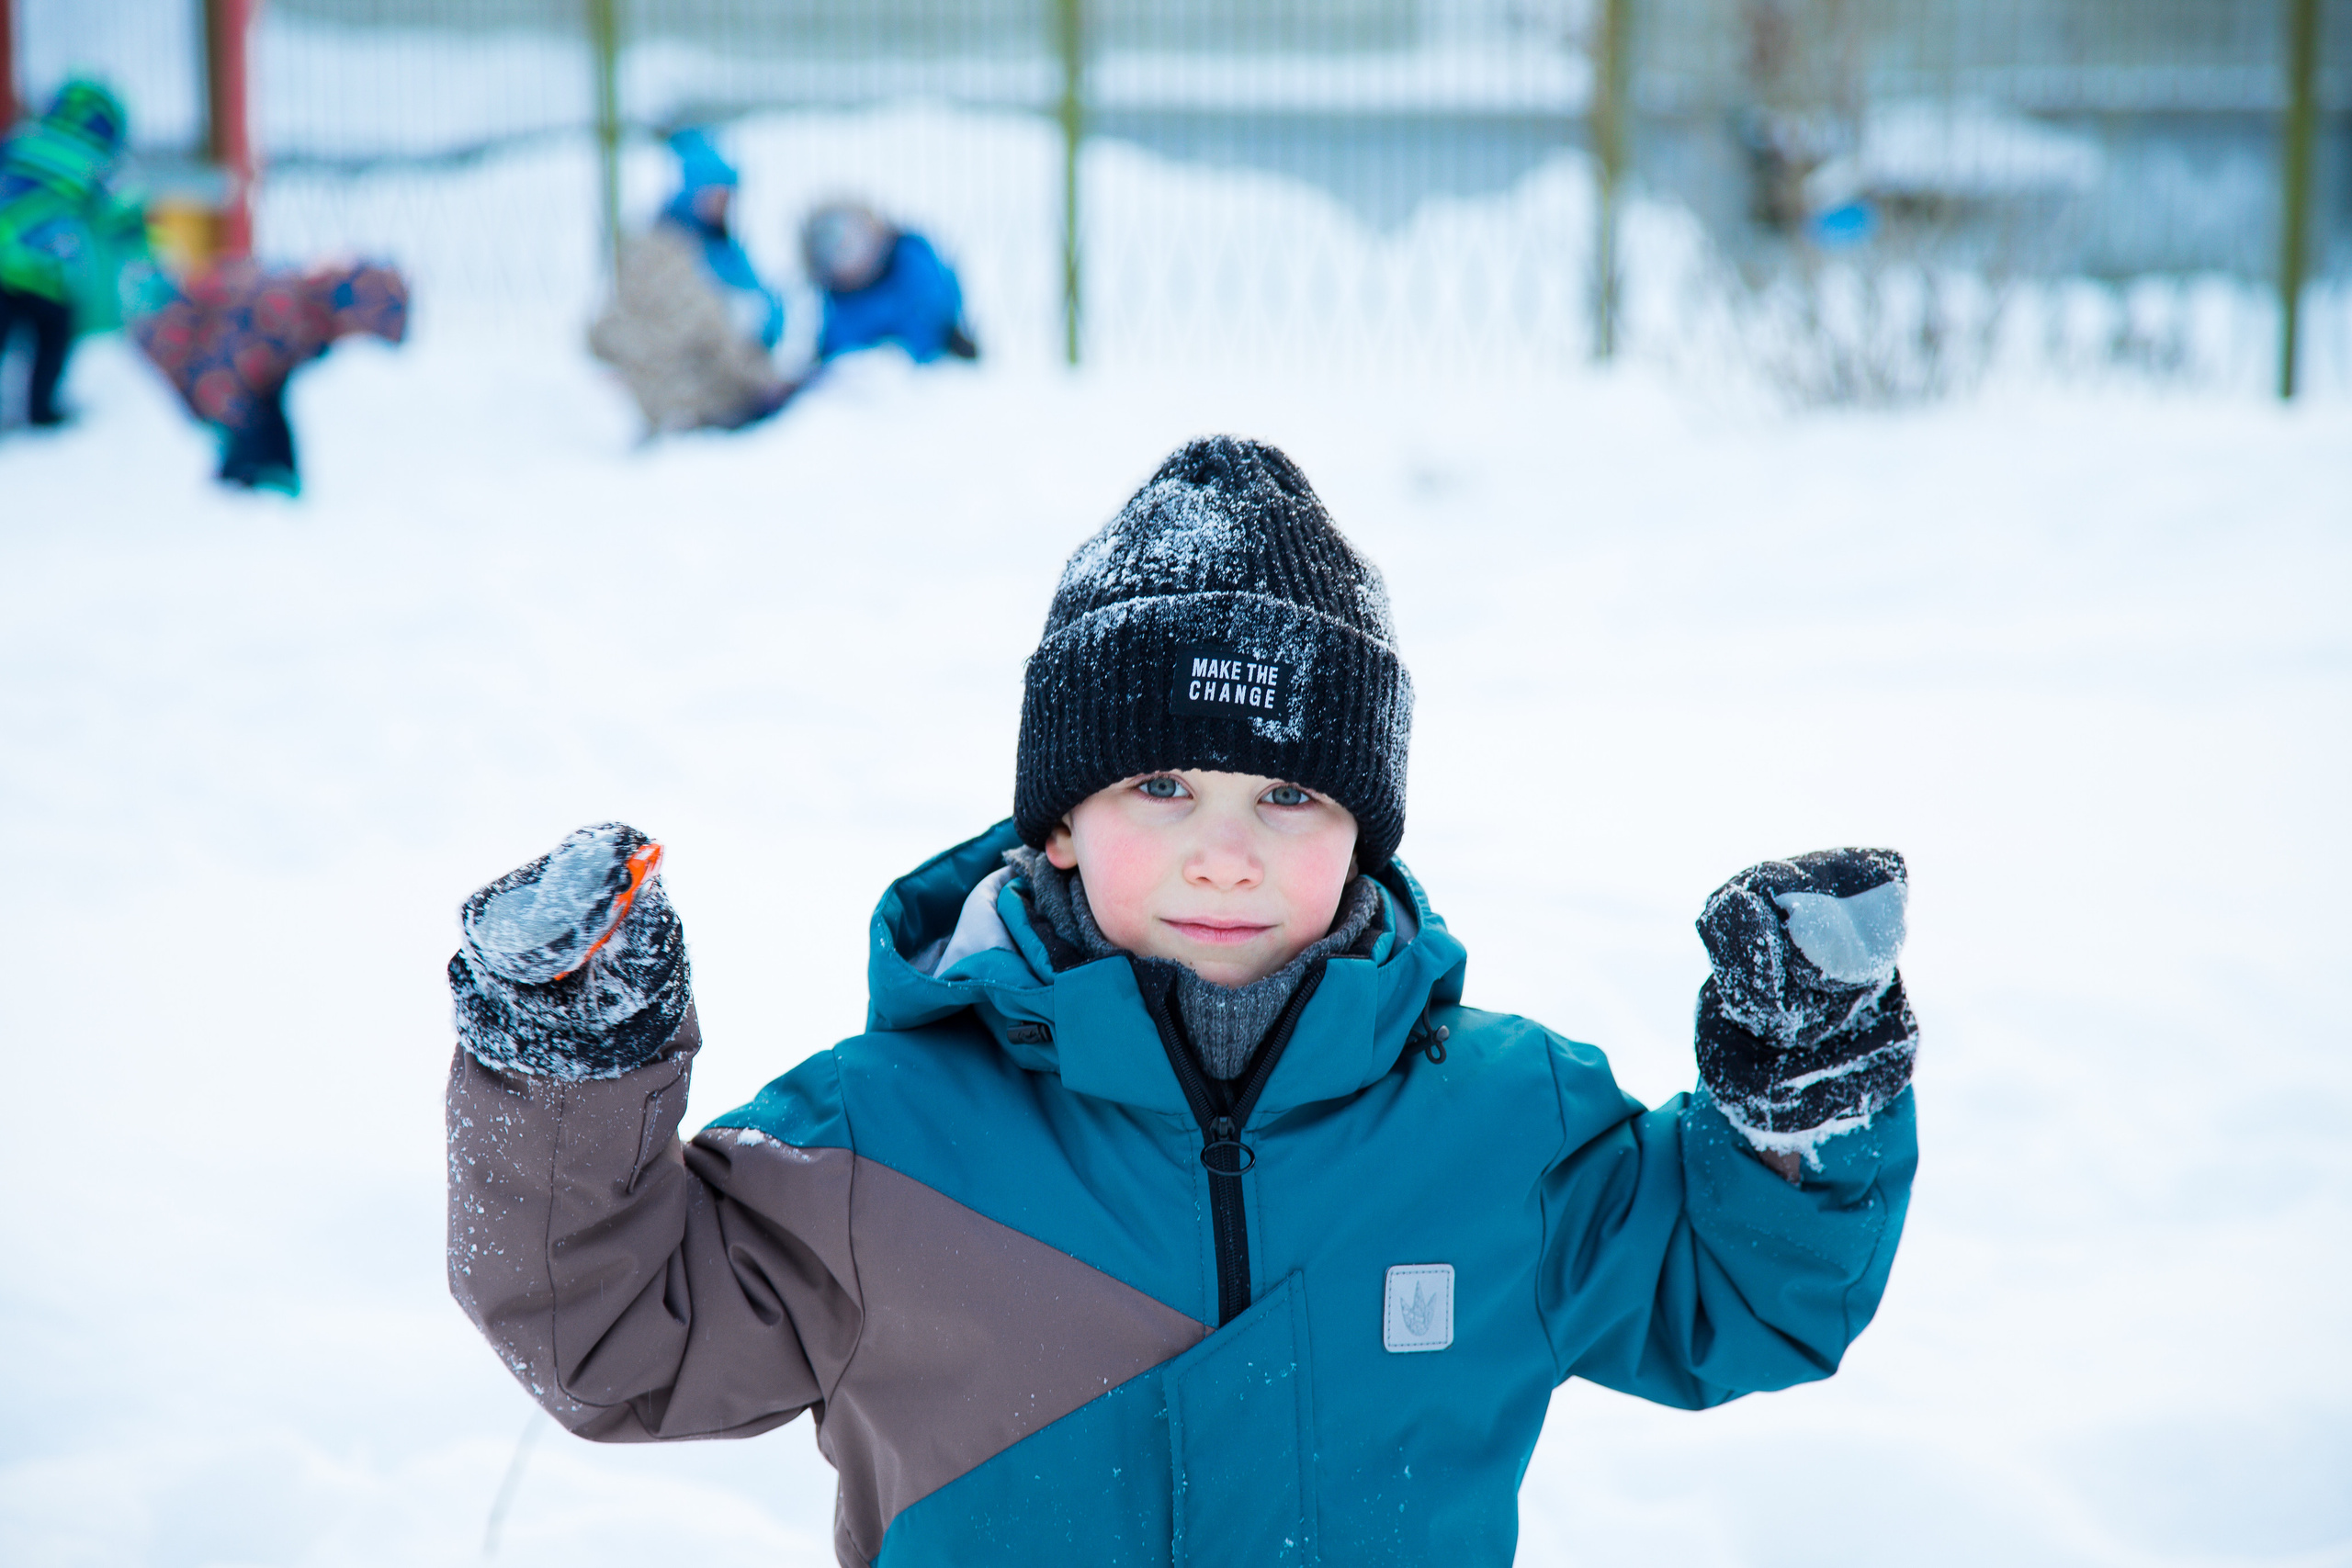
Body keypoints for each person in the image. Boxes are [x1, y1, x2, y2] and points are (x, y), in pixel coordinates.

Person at [444, 436, 1919, 1566]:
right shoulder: (878, 1140)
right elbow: (613, 1334)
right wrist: (568, 1067)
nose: (1228, 848)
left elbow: (1739, 1292)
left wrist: (1807, 1091)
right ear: (1060, 822)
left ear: (1366, 830)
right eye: (1162, 784)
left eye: (1289, 790)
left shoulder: (1505, 1127)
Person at [130, 256, 408, 494]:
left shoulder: (309, 313)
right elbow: (223, 373)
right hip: (157, 372)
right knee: (249, 445)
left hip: (215, 375)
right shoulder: (286, 311)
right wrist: (240, 442)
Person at [588, 129, 792, 436]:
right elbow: (704, 326)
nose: (722, 204)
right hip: (689, 391)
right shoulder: (662, 253)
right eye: (714, 194)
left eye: (727, 196)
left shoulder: (723, 249)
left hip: (730, 377)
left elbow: (762, 310)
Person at [0, 78, 142, 429]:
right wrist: (141, 246)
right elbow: (120, 214)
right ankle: (42, 411)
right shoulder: (94, 162)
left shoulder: (21, 141)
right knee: (52, 342)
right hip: (47, 274)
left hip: (3, 263)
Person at [801, 200, 978, 365]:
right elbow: (837, 349)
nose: (846, 263)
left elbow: (935, 313)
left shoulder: (912, 262)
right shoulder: (839, 303)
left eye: (848, 246)